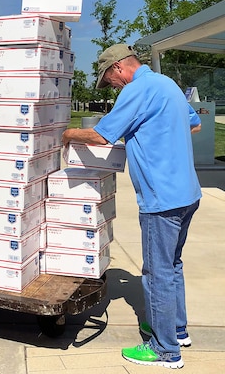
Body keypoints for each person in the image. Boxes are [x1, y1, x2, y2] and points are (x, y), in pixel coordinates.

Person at [61, 44, 202, 369]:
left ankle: (165, 350)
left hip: (161, 199)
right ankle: (177, 331)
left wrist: (68, 133)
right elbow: (193, 124)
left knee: (156, 274)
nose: (112, 86)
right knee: (173, 265)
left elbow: (101, 137)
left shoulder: (136, 90)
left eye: (110, 80)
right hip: (188, 193)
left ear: (119, 68)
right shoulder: (168, 85)